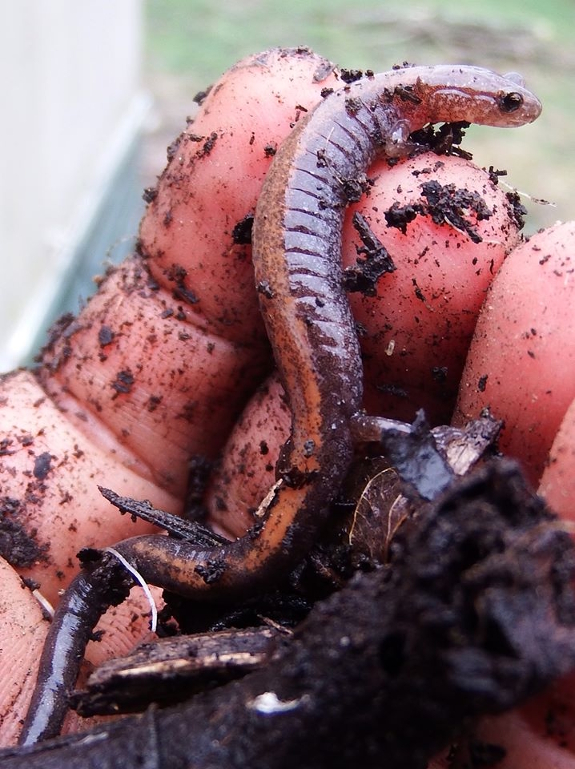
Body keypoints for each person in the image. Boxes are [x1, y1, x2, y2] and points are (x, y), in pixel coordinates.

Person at [0, 47, 573, 763]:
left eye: (511, 102)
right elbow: (390, 147)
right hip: (308, 314)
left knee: (330, 418)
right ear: (452, 99)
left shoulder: (385, 114)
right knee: (330, 416)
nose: (517, 113)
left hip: (310, 311)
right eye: (505, 106)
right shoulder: (388, 118)